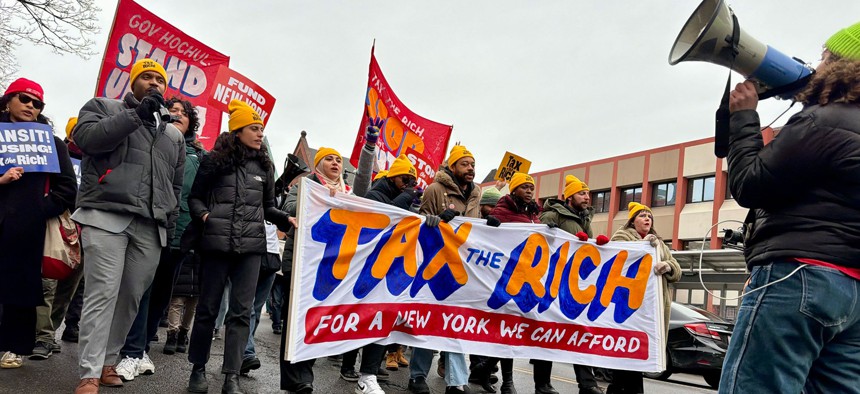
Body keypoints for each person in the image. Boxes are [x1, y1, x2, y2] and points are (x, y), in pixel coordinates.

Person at [718, 22, 860, 394]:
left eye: (826, 58)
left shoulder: (824, 121)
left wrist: (743, 117)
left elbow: (750, 184)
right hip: (852, 291)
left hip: (798, 277)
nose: (818, 65)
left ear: (843, 66)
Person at [71, 58, 185, 394]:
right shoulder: (102, 107)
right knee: (102, 293)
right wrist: (136, 115)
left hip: (150, 226)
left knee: (130, 298)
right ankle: (89, 372)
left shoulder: (173, 135)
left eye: (159, 80)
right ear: (132, 82)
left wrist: (169, 225)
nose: (154, 83)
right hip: (107, 214)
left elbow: (175, 186)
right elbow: (87, 139)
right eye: (146, 77)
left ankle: (109, 361)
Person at [185, 99, 290, 394]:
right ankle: (198, 369)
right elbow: (195, 198)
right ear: (238, 130)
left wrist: (286, 218)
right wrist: (206, 216)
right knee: (208, 309)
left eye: (261, 129)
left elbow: (268, 207)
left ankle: (231, 376)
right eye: (254, 128)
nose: (260, 134)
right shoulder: (214, 161)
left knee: (241, 313)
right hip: (216, 245)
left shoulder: (265, 167)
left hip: (252, 249)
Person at [280, 121, 378, 394]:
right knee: (295, 321)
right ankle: (296, 377)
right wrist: (322, 197)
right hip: (301, 265)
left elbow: (364, 183)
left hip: (332, 267)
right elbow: (289, 208)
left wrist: (369, 148)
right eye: (329, 159)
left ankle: (305, 375)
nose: (335, 163)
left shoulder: (347, 192)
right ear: (318, 165)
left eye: (338, 159)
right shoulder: (307, 185)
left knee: (316, 321)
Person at [113, 97, 205, 381]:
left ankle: (142, 347)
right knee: (141, 290)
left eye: (183, 112)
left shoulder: (200, 157)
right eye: (172, 110)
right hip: (152, 226)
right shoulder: (156, 142)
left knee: (163, 294)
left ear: (191, 122)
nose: (177, 114)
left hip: (181, 235)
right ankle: (131, 350)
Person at [0, 78, 77, 369]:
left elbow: (67, 189)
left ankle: (14, 346)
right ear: (8, 101)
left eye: (37, 103)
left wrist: (38, 210)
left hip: (27, 229)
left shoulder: (52, 144)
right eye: (24, 99)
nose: (31, 106)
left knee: (20, 289)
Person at [409, 144, 482, 394]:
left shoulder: (476, 193)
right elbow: (421, 224)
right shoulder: (435, 189)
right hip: (436, 264)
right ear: (452, 166)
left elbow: (476, 228)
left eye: (472, 164)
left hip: (463, 267)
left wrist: (489, 224)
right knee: (430, 322)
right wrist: (439, 218)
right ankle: (417, 376)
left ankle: (456, 381)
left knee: (458, 323)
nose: (470, 168)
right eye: (465, 164)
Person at [537, 175, 607, 394]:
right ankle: (542, 384)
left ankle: (587, 384)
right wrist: (546, 229)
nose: (587, 197)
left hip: (574, 284)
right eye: (581, 193)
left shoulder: (585, 219)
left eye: (587, 194)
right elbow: (538, 238)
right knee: (547, 332)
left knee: (580, 332)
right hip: (552, 282)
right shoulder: (554, 214)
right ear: (569, 197)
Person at [607, 202, 680, 394]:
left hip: (650, 307)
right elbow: (618, 261)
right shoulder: (621, 236)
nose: (647, 219)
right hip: (628, 305)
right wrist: (644, 246)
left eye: (649, 216)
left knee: (639, 352)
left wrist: (668, 266)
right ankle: (621, 388)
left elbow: (676, 268)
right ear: (632, 221)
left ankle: (624, 389)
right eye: (642, 215)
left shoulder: (660, 243)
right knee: (625, 352)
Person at [239, 222, 283, 375]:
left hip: (272, 257)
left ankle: (239, 353)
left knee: (256, 311)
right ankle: (247, 353)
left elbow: (283, 230)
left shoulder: (278, 207)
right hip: (250, 252)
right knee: (248, 308)